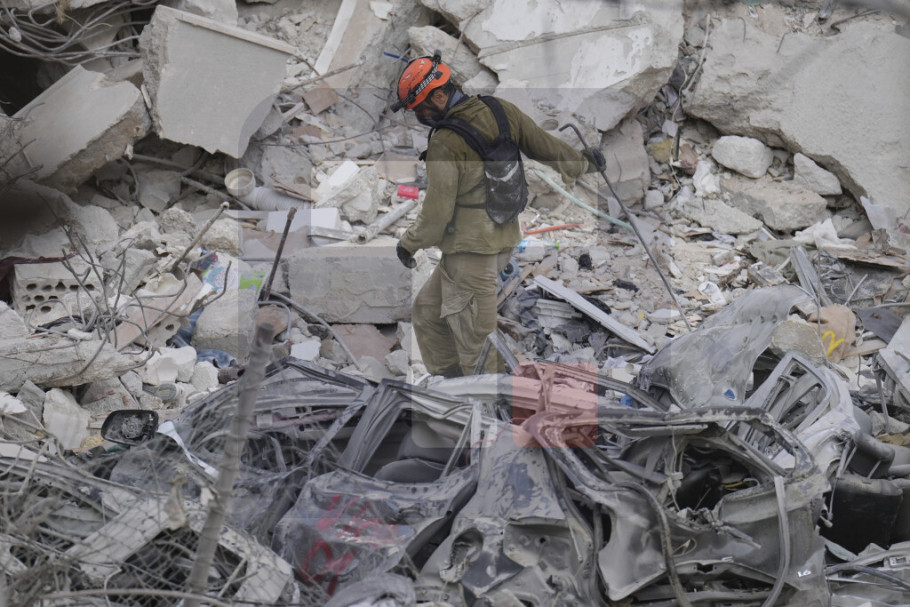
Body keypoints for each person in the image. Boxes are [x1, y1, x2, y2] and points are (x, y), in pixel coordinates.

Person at [391, 53, 605, 378]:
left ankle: (490, 400)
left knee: (476, 343)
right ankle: (451, 387)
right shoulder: (499, 110)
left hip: (471, 253)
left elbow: (436, 215)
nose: (420, 116)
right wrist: (583, 162)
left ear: (439, 97)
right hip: (502, 239)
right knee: (428, 313)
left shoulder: (446, 143)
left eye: (420, 108)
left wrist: (408, 244)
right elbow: (545, 146)